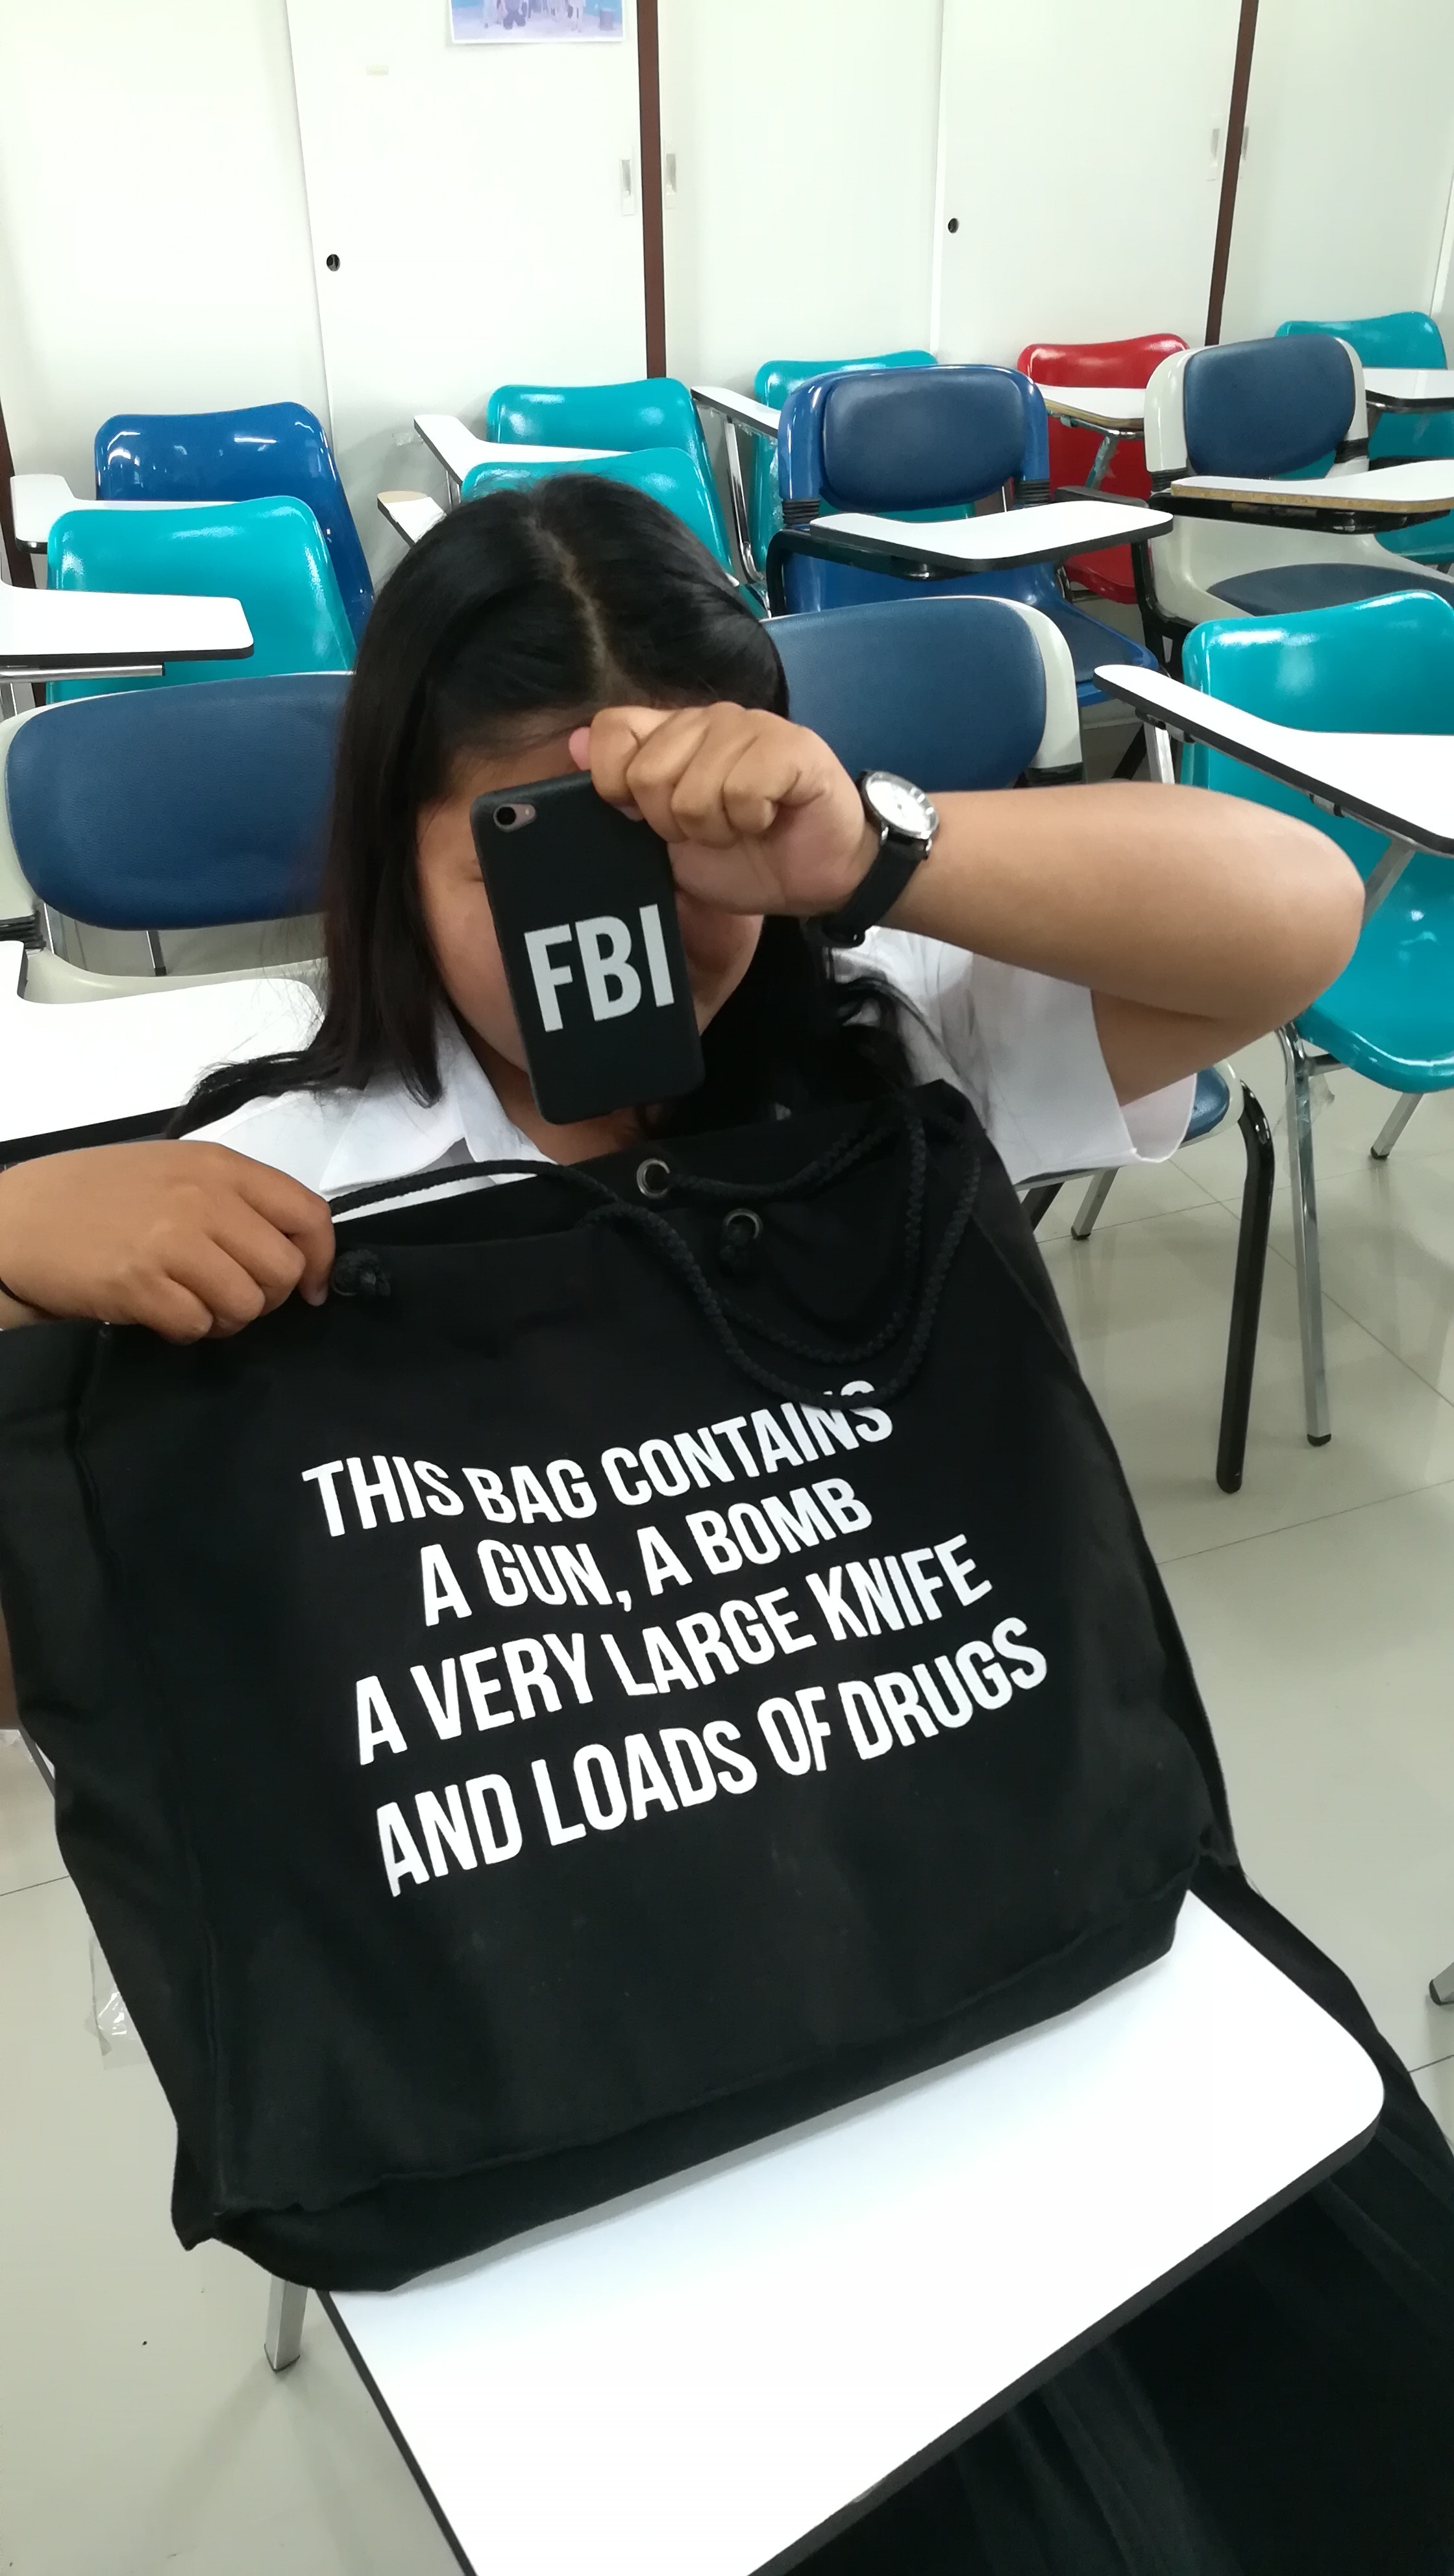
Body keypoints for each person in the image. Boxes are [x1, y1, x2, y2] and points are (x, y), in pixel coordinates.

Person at [1, 482, 1450, 2570]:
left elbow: (1297, 911)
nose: (627, 923)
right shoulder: (278, 1182)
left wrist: (870, 851)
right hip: (585, 2062)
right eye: (533, 847)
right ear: (393, 853)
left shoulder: (891, 1048)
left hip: (1014, 1917)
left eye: (679, 853)